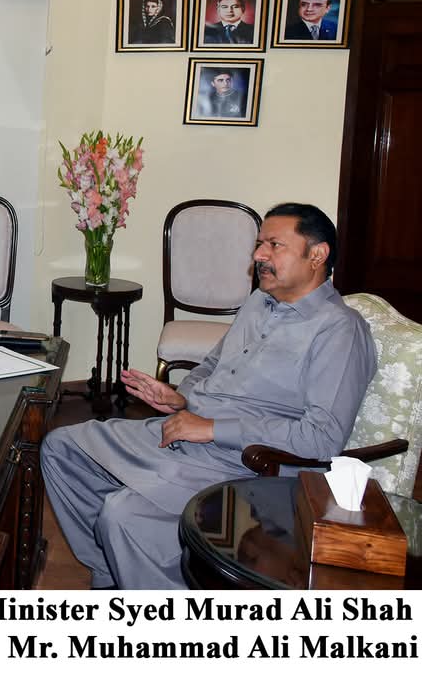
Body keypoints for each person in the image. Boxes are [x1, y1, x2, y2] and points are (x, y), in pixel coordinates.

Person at [40, 203, 376, 589]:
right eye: (259, 244)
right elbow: (212, 364)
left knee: (122, 514)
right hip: (185, 430)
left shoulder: (339, 330)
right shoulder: (259, 302)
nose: (258, 255)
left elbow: (322, 438)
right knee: (61, 448)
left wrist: (213, 428)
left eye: (274, 245)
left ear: (317, 255)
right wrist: (180, 398)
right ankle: (113, 571)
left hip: (243, 463)